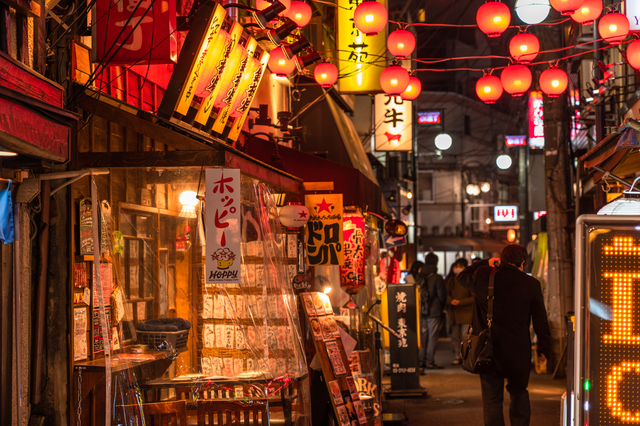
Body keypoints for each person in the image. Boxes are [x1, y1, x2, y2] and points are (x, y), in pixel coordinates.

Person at [457, 244, 551, 426]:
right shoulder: (531, 284)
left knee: (492, 400)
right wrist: (543, 349)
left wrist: (484, 262)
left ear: (502, 259)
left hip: (488, 349)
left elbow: (462, 277)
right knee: (519, 394)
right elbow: (540, 320)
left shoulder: (484, 275)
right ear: (522, 263)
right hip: (518, 351)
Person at [417, 252, 446, 370]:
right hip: (434, 311)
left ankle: (421, 361)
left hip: (421, 311)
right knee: (432, 337)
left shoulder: (419, 276)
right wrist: (443, 307)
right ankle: (430, 361)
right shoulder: (437, 277)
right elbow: (442, 295)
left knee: (423, 336)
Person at [445, 258, 472, 366]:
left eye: (460, 266)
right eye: (456, 266)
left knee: (465, 336)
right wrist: (451, 301)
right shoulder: (451, 280)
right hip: (454, 312)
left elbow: (473, 297)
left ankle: (466, 357)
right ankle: (458, 356)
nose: (457, 268)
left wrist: (460, 302)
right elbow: (446, 294)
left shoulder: (469, 280)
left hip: (466, 312)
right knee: (456, 336)